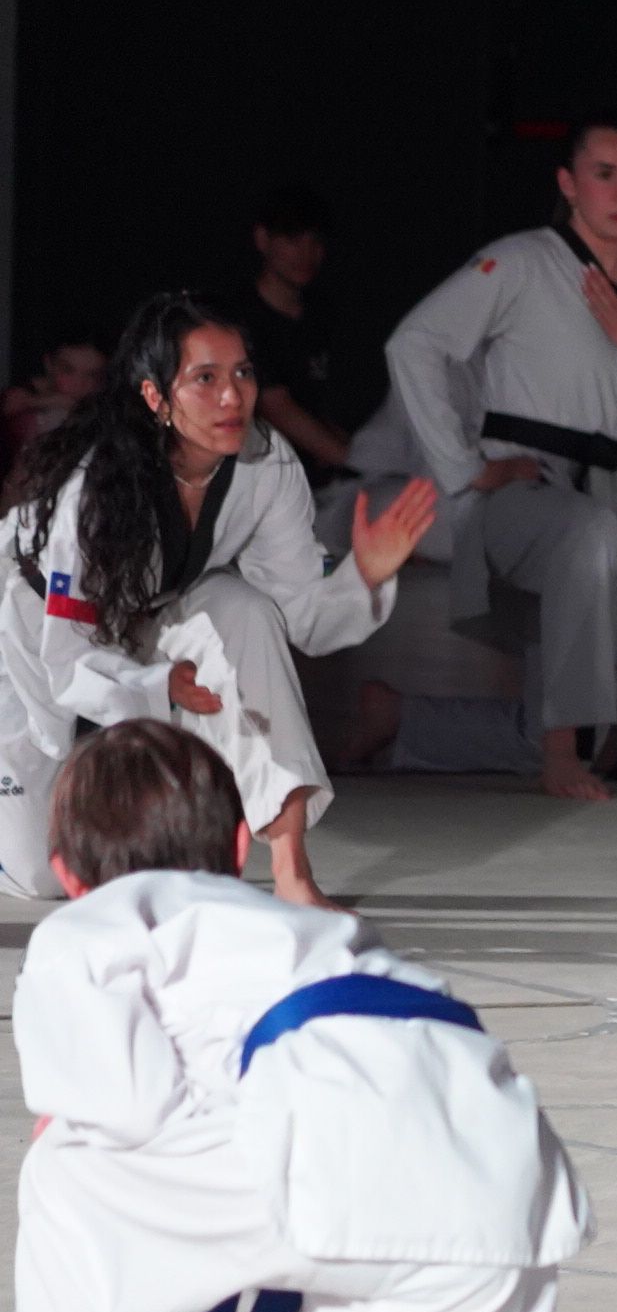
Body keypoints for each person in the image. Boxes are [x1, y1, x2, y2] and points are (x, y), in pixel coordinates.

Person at [0, 720, 617, 1312]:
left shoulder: (93, 926)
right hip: (504, 1170)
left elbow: (121, 1113)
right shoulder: (309, 931)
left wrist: (68, 1119)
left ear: (64, 871)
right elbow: (275, 1213)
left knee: (69, 1177)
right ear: (238, 847)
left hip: (334, 1161)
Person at [0, 292, 436, 907]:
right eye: (205, 378)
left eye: (243, 373)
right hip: (29, 632)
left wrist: (362, 575)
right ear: (155, 396)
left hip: (148, 615)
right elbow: (66, 656)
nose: (233, 396)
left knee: (245, 610)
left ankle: (292, 870)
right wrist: (159, 686)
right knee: (46, 878)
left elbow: (302, 615)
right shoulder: (94, 488)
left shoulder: (265, 461)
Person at [379, 120, 617, 801]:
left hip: (607, 499)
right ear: (568, 184)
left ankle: (397, 718)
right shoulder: (520, 264)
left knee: (601, 727)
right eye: (604, 173)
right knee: (586, 538)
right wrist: (463, 468)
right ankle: (561, 757)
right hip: (517, 496)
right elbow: (412, 343)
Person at [241, 184, 353, 476]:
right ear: (263, 239)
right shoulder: (241, 319)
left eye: (315, 241)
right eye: (293, 239)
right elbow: (276, 406)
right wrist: (355, 462)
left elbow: (318, 403)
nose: (307, 253)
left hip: (315, 479)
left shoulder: (320, 313)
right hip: (260, 478)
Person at [4, 340, 104, 458]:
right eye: (68, 370)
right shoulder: (18, 400)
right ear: (49, 365)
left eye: (92, 375)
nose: (79, 383)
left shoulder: (105, 407)